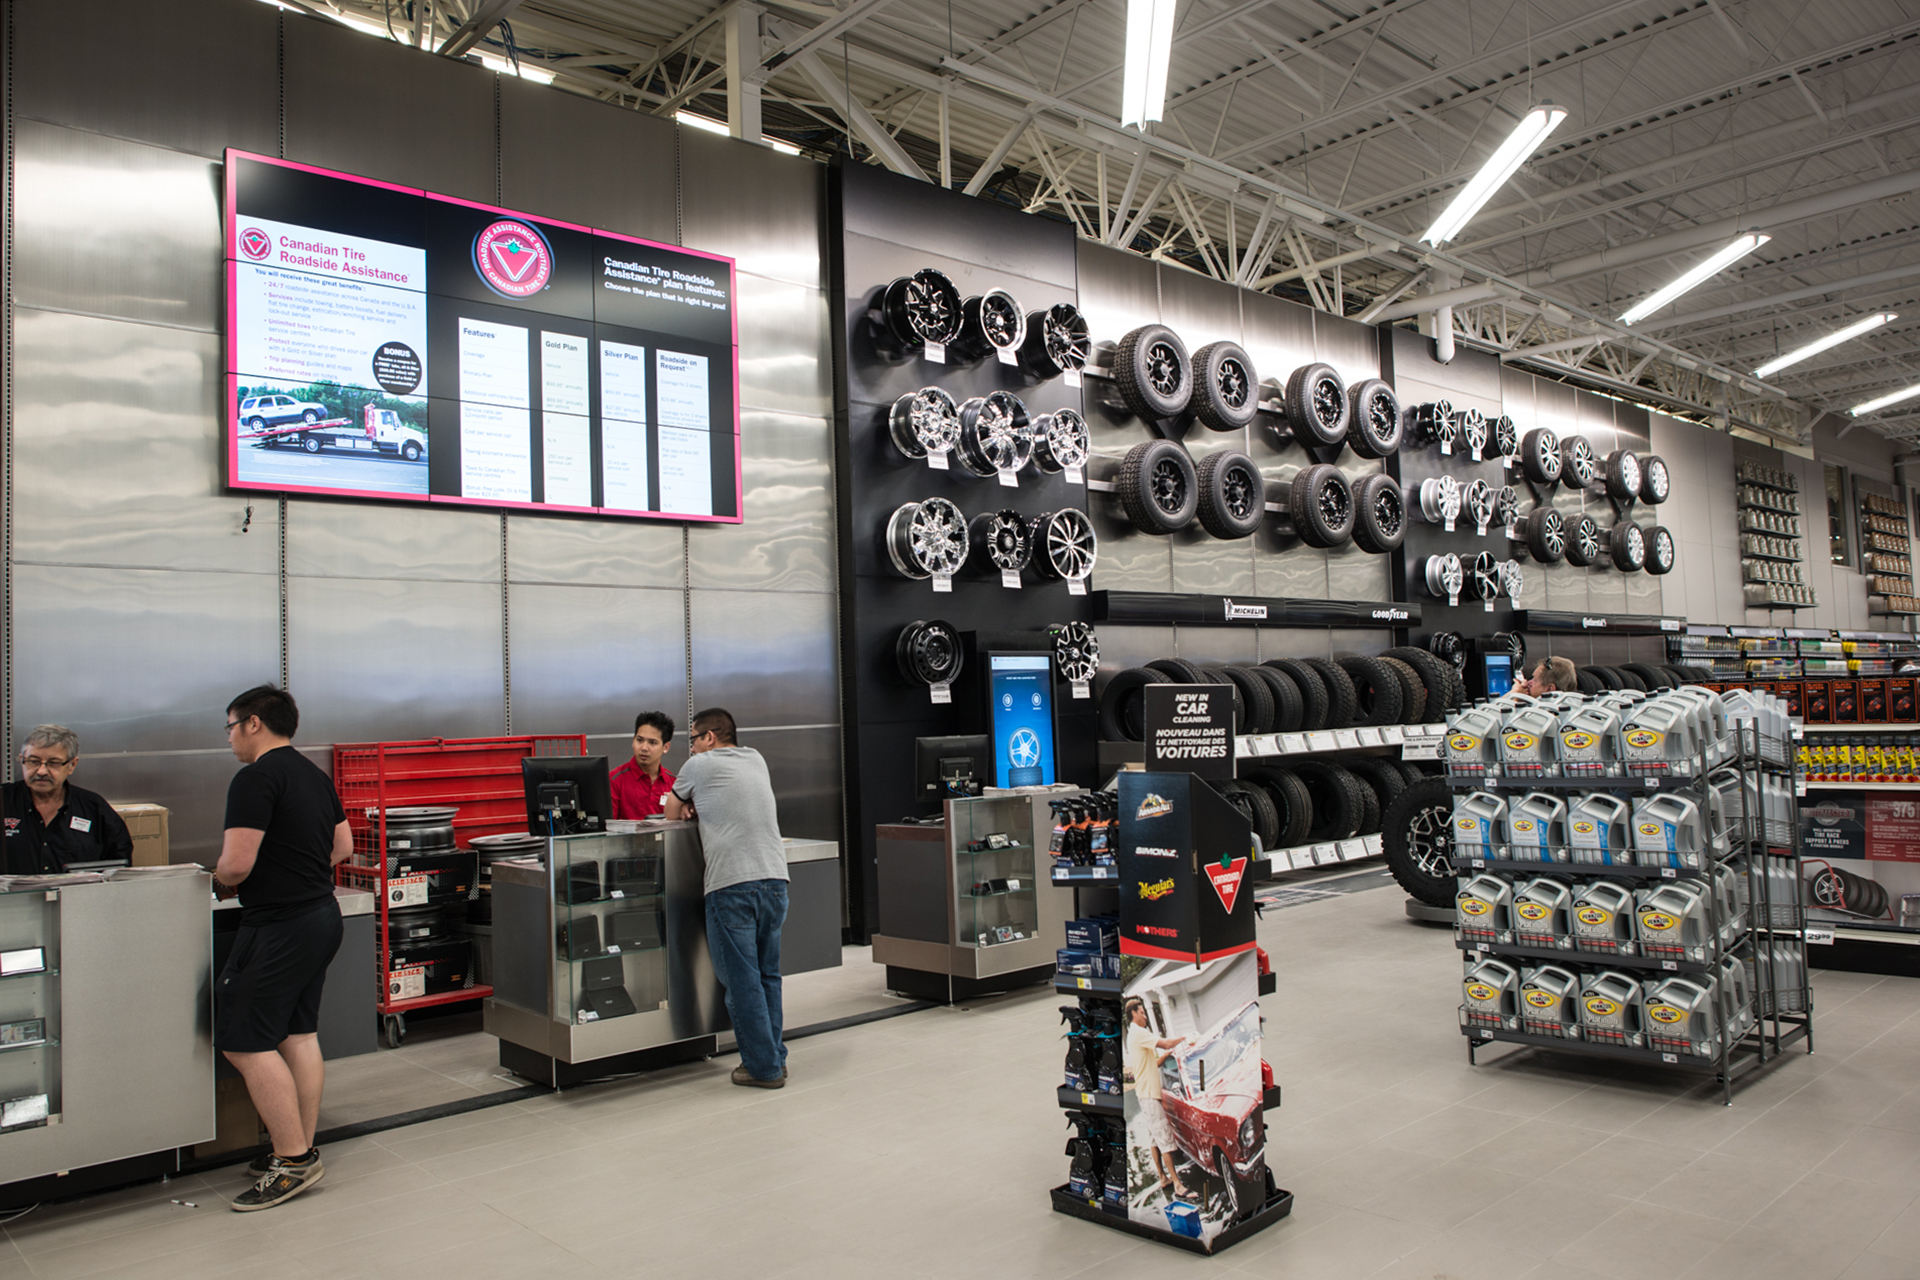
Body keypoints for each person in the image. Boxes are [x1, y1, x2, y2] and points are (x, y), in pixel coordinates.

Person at [214, 685, 352, 1212]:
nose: (229, 738)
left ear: (253, 723)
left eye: (229, 727)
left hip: (279, 925)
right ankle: (294, 1144)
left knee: (243, 1038)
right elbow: (341, 847)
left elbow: (236, 865)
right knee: (298, 1032)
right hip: (321, 915)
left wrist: (217, 879)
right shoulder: (312, 774)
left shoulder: (255, 778)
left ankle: (292, 1160)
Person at [660, 708, 790, 1088]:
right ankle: (774, 1059)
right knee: (768, 977)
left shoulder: (698, 766)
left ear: (709, 738)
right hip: (775, 881)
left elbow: (670, 811)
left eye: (694, 739)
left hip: (732, 884)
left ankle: (762, 1069)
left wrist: (687, 805)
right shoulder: (756, 758)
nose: (693, 747)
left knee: (742, 982)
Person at [2, 725, 132, 873]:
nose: (42, 771)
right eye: (33, 761)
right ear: (22, 760)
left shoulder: (95, 810)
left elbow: (119, 870)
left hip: (77, 896)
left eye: (53, 763)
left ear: (72, 765)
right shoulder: (3, 802)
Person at [1124, 996, 1192, 1202]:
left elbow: (1153, 1063)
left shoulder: (1134, 1035)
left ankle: (1163, 1178)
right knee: (1165, 1140)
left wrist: (1170, 1053)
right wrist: (1186, 1038)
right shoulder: (1139, 1032)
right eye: (1142, 1012)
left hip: (1145, 1093)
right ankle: (1178, 1184)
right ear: (1134, 1014)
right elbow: (1166, 1042)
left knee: (1154, 1138)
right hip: (1149, 1096)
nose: (1145, 1015)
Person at [610, 711, 676, 819]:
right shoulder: (615, 780)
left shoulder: (674, 783)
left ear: (666, 747)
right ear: (633, 741)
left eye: (652, 742)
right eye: (639, 740)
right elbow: (608, 827)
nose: (644, 748)